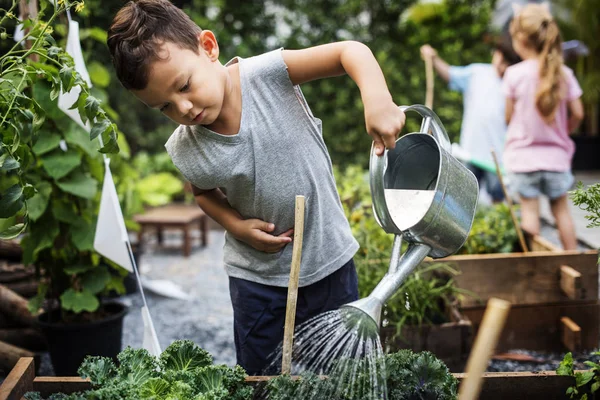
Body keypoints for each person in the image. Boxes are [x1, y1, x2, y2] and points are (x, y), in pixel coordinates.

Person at [107, 0, 406, 375]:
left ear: (209, 48)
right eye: (164, 106)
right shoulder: (185, 147)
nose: (183, 109)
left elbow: (351, 52)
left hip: (329, 261)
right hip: (256, 281)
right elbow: (203, 194)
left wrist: (377, 98)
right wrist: (236, 226)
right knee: (259, 376)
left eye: (184, 85)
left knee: (341, 373)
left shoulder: (268, 74)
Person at [503, 3, 584, 250]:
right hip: (556, 158)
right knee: (561, 213)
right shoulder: (564, 74)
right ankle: (574, 261)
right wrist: (563, 131)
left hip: (523, 159)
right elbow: (578, 114)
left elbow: (507, 118)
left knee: (529, 214)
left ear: (520, 39)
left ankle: (533, 266)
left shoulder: (514, 74)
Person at [420, 36, 520, 203]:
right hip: (470, 151)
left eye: (508, 63)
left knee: (499, 199)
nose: (503, 67)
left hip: (498, 156)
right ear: (495, 54)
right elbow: (451, 74)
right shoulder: (477, 73)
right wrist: (434, 58)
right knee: (463, 199)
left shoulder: (514, 82)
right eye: (502, 60)